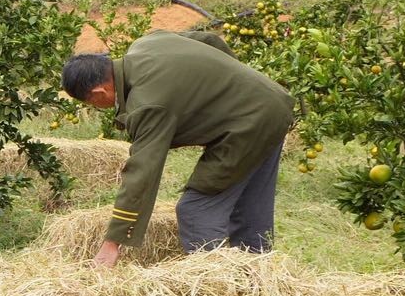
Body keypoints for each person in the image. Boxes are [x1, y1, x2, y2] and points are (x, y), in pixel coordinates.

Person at [60, 29, 293, 268]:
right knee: (249, 209)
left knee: (196, 211)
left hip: (248, 126)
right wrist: (232, 84)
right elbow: (208, 40)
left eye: (93, 104)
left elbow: (142, 172)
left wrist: (113, 243)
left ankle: (219, 283)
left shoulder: (147, 104)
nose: (101, 107)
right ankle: (259, 281)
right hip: (273, 104)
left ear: (99, 92)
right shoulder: (147, 42)